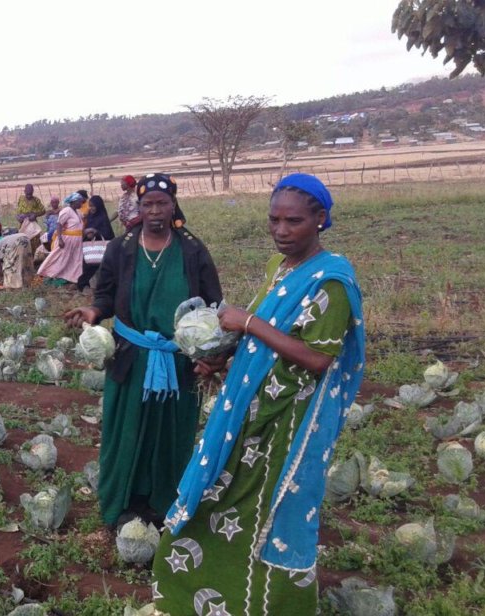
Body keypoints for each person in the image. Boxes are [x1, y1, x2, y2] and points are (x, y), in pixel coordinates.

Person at [154, 174, 365, 616]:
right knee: (219, 496)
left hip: (288, 420)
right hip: (250, 406)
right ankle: (208, 597)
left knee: (268, 508)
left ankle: (271, 604)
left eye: (294, 221)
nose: (282, 231)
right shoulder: (279, 268)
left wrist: (248, 322)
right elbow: (267, 345)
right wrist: (225, 362)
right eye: (274, 220)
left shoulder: (331, 281)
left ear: (320, 220)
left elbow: (316, 358)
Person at [64, 173, 222, 530]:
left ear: (173, 205)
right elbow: (104, 294)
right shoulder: (122, 247)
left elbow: (213, 303)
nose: (154, 211)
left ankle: (163, 504)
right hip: (130, 358)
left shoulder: (192, 249)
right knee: (126, 432)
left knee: (172, 434)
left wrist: (214, 352)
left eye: (161, 203)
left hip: (178, 363)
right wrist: (93, 311)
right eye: (147, 203)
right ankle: (122, 503)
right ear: (138, 206)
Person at [36, 192, 86, 287]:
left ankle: (71, 277)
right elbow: (59, 224)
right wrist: (60, 239)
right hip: (66, 240)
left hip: (76, 241)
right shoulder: (66, 211)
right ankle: (46, 273)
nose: (81, 204)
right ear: (74, 202)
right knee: (59, 258)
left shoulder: (78, 212)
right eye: (80, 202)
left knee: (74, 260)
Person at [77, 195, 116, 291]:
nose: (91, 208)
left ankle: (86, 285)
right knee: (85, 263)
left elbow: (107, 233)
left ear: (98, 206)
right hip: (90, 246)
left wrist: (96, 231)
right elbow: (86, 228)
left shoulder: (102, 217)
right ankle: (82, 284)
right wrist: (87, 232)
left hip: (101, 247)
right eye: (90, 206)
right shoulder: (90, 215)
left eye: (93, 206)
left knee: (95, 266)